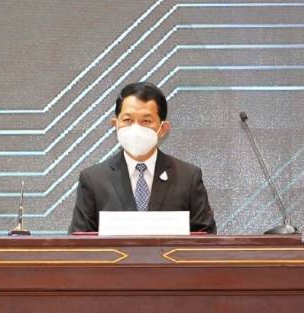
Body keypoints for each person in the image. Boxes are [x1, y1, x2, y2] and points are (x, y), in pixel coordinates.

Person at [68, 81, 216, 234]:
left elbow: (206, 238)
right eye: (127, 120)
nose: (136, 128)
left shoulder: (188, 177)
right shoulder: (93, 179)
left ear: (163, 128)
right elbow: (79, 241)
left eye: (146, 121)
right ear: (115, 124)